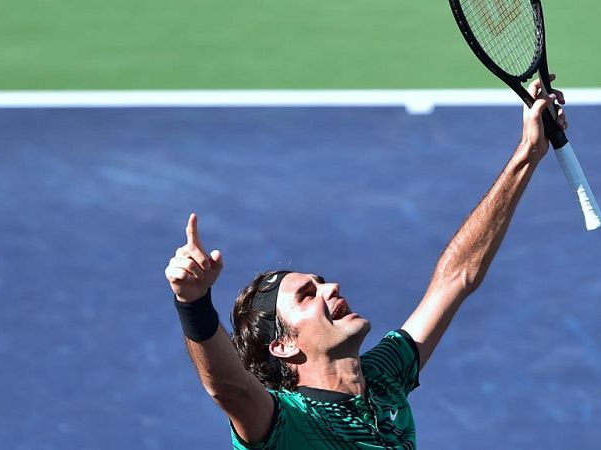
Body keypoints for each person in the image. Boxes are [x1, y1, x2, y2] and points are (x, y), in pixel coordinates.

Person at [164, 77, 568, 449]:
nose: (331, 287)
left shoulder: (383, 377)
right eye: (307, 295)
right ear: (282, 345)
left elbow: (456, 278)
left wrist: (527, 154)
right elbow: (230, 390)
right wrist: (193, 303)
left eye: (320, 282)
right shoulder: (283, 421)